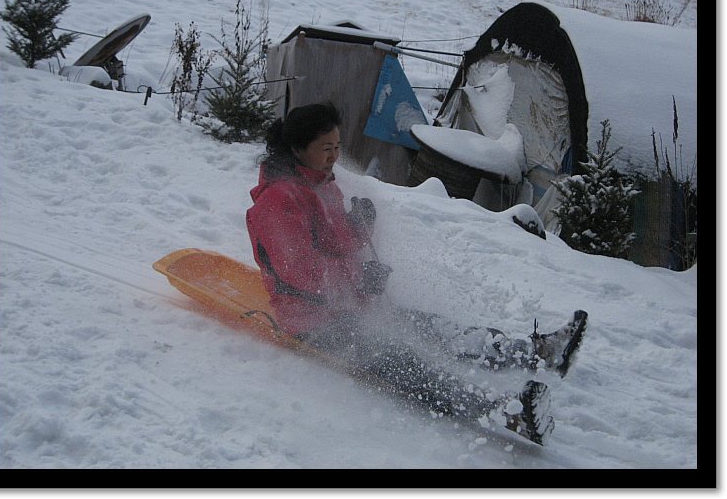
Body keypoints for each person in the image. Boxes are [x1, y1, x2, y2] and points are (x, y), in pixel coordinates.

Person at [246, 102, 586, 445]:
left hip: (351, 304)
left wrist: (359, 224)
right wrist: (360, 278)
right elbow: (300, 270)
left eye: (337, 147)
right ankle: (508, 414)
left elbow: (336, 242)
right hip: (311, 321)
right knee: (403, 362)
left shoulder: (321, 184)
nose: (334, 156)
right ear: (297, 149)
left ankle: (537, 351)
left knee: (433, 327)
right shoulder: (279, 200)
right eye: (325, 149)